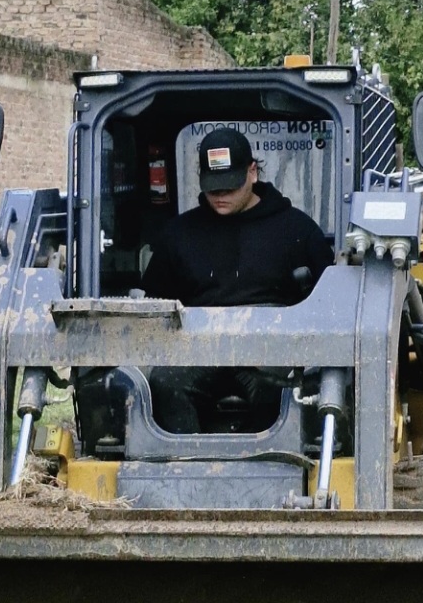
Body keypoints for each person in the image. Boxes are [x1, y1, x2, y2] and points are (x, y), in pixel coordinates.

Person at [143, 127, 333, 434]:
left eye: (230, 187)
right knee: (166, 383)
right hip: (197, 348)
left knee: (280, 389)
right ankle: (186, 469)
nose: (220, 196)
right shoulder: (178, 235)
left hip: (272, 350)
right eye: (213, 187)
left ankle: (272, 469)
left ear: (252, 172)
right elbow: (155, 303)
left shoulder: (297, 230)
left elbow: (328, 301)